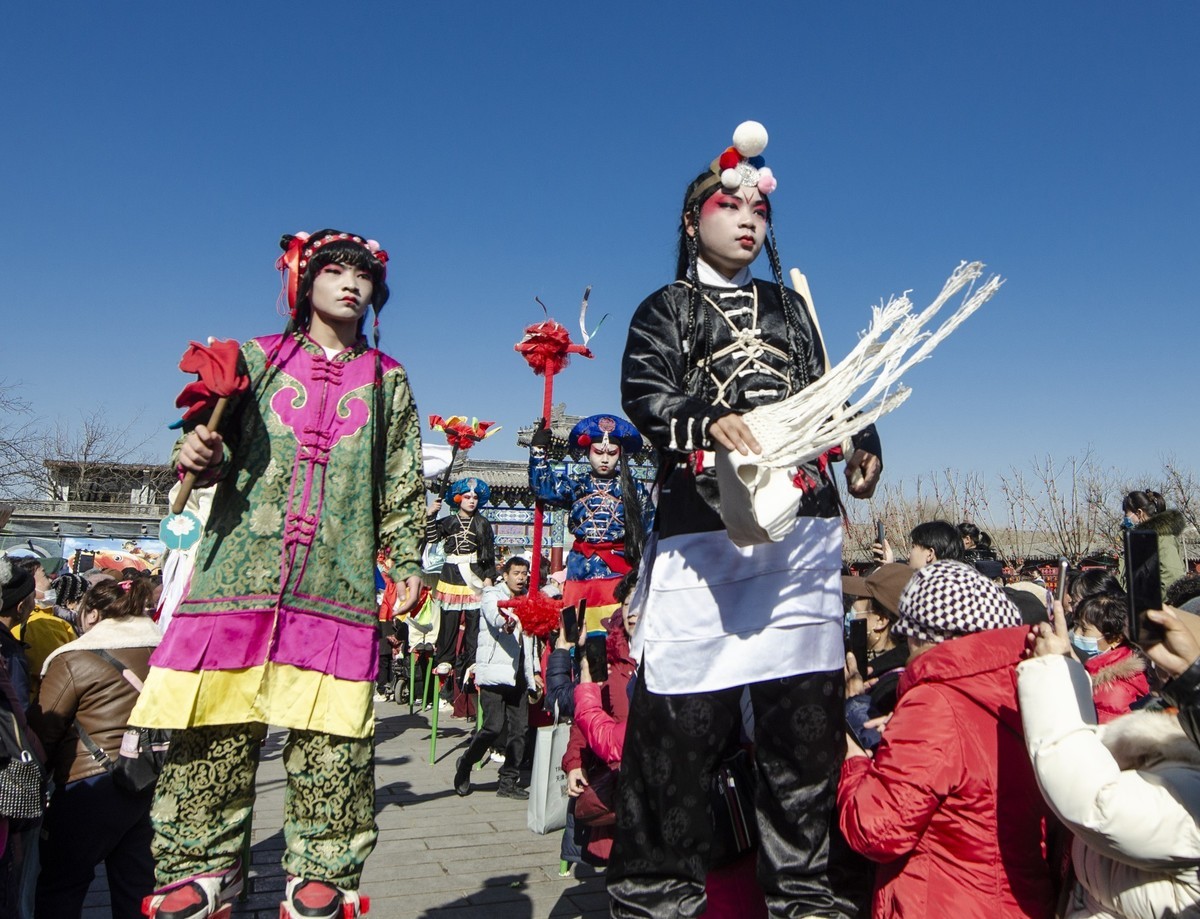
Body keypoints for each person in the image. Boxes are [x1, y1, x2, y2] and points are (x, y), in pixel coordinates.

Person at [616, 120, 883, 918]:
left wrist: (862, 438)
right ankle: (656, 893)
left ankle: (804, 891)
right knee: (679, 726)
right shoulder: (664, 307)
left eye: (756, 210)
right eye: (727, 204)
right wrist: (705, 420)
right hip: (705, 534)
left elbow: (830, 390)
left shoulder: (791, 308)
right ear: (694, 219)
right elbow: (646, 392)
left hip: (801, 531)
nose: (745, 218)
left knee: (804, 724)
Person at [130, 229, 426, 919]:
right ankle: (201, 862)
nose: (350, 282)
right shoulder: (256, 360)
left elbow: (403, 481)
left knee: (335, 735)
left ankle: (323, 863)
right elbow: (205, 447)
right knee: (215, 724)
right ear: (303, 281)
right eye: (335, 270)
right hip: (239, 572)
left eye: (363, 274)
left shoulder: (389, 379)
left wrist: (408, 558)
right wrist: (198, 449)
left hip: (337, 581)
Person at [837, 560, 1057, 918]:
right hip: (1019, 901)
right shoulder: (1029, 686)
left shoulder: (936, 703)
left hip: (944, 902)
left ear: (922, 635)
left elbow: (877, 829)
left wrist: (852, 759)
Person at [1021, 608, 1200, 918]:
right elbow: (1094, 752)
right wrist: (1069, 671)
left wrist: (1050, 673)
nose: (1159, 667)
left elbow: (1097, 804)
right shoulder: (1165, 736)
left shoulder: (1189, 786)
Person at [27, 577, 163, 918]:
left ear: (91, 615)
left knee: (62, 885)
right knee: (137, 888)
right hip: (150, 781)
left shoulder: (74, 660)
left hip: (87, 786)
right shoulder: (163, 653)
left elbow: (45, 728)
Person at [528, 413, 652, 631]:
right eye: (598, 452)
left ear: (620, 454)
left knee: (615, 636)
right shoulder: (577, 486)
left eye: (612, 453)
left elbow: (650, 529)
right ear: (588, 452)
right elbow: (544, 489)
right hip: (579, 571)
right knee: (577, 635)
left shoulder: (635, 490)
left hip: (619, 572)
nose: (605, 459)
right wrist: (538, 452)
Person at [452, 556, 536, 799]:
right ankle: (466, 764)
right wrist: (507, 621)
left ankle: (508, 781)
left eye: (524, 573)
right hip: (495, 672)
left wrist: (536, 673)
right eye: (517, 573)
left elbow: (533, 640)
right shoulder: (492, 593)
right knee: (492, 727)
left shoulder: (528, 598)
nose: (521, 577)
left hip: (519, 673)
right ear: (506, 574)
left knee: (519, 731)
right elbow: (494, 615)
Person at [425, 477, 497, 706]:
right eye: (467, 497)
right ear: (458, 498)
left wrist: (488, 579)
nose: (472, 501)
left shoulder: (483, 524)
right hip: (451, 573)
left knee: (475, 622)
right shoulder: (448, 521)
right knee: (450, 621)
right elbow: (431, 537)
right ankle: (445, 658)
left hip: (474, 574)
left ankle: (474, 659)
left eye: (475, 497)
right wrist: (430, 515)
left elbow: (489, 554)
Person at [1069, 592, 1150, 722]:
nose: (1076, 633)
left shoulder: (1112, 691)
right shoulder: (1091, 670)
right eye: (1076, 625)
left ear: (1115, 638)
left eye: (1084, 630)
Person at [11, 557, 74, 702]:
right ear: (28, 584)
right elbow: (53, 673)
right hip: (41, 705)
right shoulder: (43, 624)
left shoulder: (37, 619)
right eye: (45, 575)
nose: (51, 581)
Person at [1121, 489, 1186, 592]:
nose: (1124, 518)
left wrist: (1146, 604)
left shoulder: (1162, 540)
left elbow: (1172, 580)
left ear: (1139, 513)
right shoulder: (1142, 543)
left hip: (1160, 607)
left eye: (1126, 514)